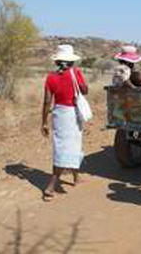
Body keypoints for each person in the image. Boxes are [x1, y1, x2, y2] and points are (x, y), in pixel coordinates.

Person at [41, 45, 89, 201]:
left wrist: (44, 122)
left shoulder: (50, 77)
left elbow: (47, 101)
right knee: (73, 145)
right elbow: (85, 90)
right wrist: (78, 81)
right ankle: (52, 185)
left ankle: (76, 177)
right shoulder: (76, 73)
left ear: (57, 62)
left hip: (59, 115)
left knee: (61, 147)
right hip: (73, 115)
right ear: (71, 61)